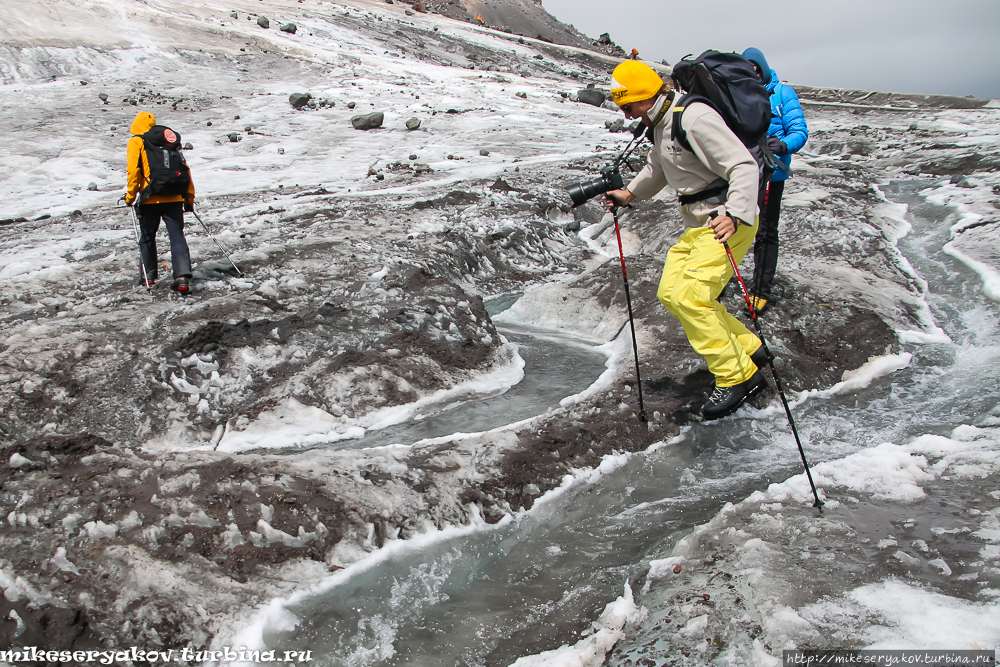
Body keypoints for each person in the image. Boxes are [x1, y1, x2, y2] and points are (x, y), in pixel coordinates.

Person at [603, 60, 769, 420]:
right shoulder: (662, 124)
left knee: (692, 297)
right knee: (671, 292)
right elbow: (658, 168)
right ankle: (748, 348)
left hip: (726, 221)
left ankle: (737, 375)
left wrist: (736, 214)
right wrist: (628, 194)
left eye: (628, 106)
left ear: (647, 98)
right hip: (698, 225)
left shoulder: (692, 117)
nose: (627, 115)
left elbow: (743, 165)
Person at [741, 47, 809, 315]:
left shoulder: (782, 93)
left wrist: (781, 146)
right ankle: (720, 283)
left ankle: (760, 291)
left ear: (764, 68)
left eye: (757, 69)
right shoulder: (740, 94)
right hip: (744, 172)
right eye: (749, 70)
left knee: (766, 231)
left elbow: (799, 131)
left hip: (772, 174)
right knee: (735, 224)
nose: (754, 74)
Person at [125, 111, 195, 293]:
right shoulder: (169, 142)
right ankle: (182, 278)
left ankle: (148, 278)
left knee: (147, 236)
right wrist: (189, 198)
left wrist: (130, 196)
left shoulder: (137, 141)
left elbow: (134, 171)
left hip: (150, 197)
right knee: (177, 235)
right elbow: (184, 169)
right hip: (174, 197)